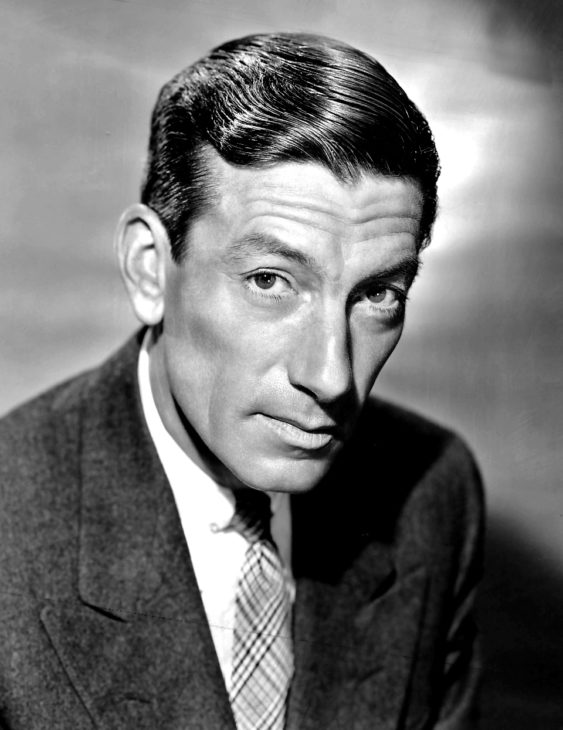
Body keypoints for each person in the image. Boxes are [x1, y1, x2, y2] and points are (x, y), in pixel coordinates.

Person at [0, 33, 484, 729]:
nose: (330, 376)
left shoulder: (432, 496)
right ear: (147, 269)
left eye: (377, 295)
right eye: (270, 280)